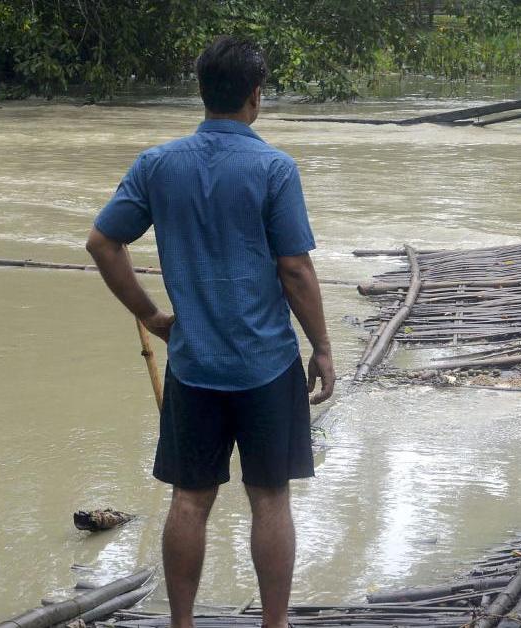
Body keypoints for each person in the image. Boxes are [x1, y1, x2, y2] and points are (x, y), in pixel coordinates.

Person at [85, 36, 335, 628]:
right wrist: (322, 347)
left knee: (190, 500)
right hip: (267, 365)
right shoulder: (274, 168)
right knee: (270, 498)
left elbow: (103, 244)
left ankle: (182, 624)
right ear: (257, 96)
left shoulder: (157, 165)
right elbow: (295, 269)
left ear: (201, 93)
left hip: (193, 363)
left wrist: (152, 316)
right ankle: (274, 624)